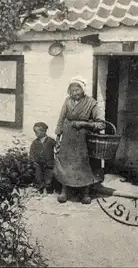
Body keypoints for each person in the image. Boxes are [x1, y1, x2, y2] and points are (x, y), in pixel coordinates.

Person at [54, 76, 105, 204]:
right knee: (65, 162)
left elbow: (101, 124)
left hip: (83, 138)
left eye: (77, 90)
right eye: (72, 91)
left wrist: (84, 124)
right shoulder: (67, 101)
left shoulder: (91, 103)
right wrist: (58, 135)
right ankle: (64, 191)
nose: (75, 93)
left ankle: (85, 193)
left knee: (83, 164)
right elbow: (61, 118)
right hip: (68, 137)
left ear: (83, 90)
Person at [30, 122, 56, 195]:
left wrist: (58, 149)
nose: (35, 134)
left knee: (48, 176)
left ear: (43, 131)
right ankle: (40, 188)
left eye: (37, 132)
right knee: (38, 176)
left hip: (49, 163)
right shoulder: (35, 142)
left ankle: (47, 189)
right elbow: (31, 152)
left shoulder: (50, 141)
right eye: (35, 132)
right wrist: (32, 160)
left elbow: (57, 147)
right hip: (38, 163)